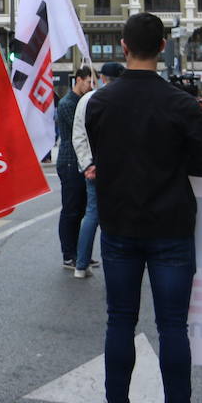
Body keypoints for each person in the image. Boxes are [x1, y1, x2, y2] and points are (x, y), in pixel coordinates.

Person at [79, 12, 202, 403]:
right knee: (173, 326)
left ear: (122, 46)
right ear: (163, 47)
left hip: (120, 227)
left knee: (120, 320)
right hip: (171, 228)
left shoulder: (100, 103)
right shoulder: (182, 104)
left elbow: (104, 161)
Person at [71, 63, 126, 280]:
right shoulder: (121, 100)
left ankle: (81, 264)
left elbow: (78, 136)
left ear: (103, 78)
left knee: (92, 213)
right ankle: (118, 263)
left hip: (94, 167)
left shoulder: (87, 100)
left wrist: (87, 165)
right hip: (118, 168)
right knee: (117, 214)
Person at [55, 66, 95, 271]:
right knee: (71, 209)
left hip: (80, 162)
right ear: (78, 80)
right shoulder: (67, 104)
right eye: (88, 82)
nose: (90, 86)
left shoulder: (82, 102)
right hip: (70, 161)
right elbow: (81, 130)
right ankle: (68, 254)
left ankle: (81, 252)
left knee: (81, 210)